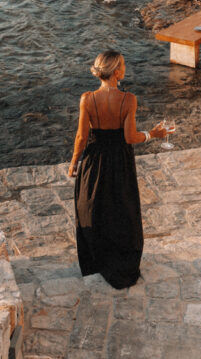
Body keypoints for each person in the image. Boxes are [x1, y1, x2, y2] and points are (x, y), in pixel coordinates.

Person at [69, 49, 171, 289]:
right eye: (123, 65)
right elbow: (130, 137)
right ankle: (120, 261)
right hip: (120, 162)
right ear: (116, 72)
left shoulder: (87, 99)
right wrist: (153, 134)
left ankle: (95, 260)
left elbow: (82, 136)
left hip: (94, 160)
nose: (125, 68)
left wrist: (75, 162)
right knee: (121, 208)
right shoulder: (128, 99)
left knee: (93, 207)